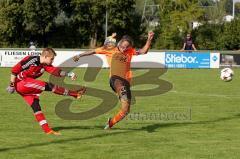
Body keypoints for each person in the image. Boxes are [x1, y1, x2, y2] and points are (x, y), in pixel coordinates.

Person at [73, 31, 154, 129]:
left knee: (125, 110)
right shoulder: (110, 49)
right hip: (115, 79)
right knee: (121, 86)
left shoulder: (130, 51)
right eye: (123, 46)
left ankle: (111, 122)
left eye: (126, 47)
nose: (124, 49)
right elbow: (93, 51)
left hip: (126, 82)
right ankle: (121, 92)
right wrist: (79, 56)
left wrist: (149, 39)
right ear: (119, 43)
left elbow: (143, 51)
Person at [6, 48, 86, 135]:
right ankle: (75, 94)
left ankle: (47, 130)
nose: (52, 61)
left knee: (36, 106)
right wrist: (11, 85)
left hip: (27, 85)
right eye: (51, 59)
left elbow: (56, 72)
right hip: (22, 83)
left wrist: (69, 74)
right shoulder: (32, 60)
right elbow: (14, 70)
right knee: (49, 86)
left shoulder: (44, 64)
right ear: (45, 56)